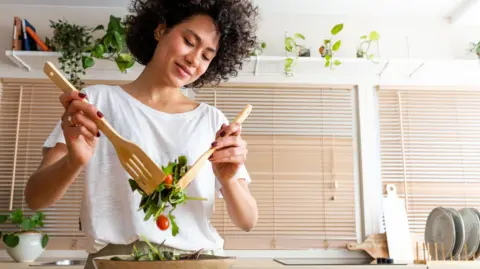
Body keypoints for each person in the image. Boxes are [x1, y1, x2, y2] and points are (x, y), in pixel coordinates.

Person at [24, 0, 259, 268]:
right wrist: (74, 161)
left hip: (197, 261)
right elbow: (35, 199)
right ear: (160, 30)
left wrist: (228, 180)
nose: (194, 60)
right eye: (189, 41)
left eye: (206, 56)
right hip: (116, 261)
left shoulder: (211, 120)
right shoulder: (96, 103)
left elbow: (247, 220)